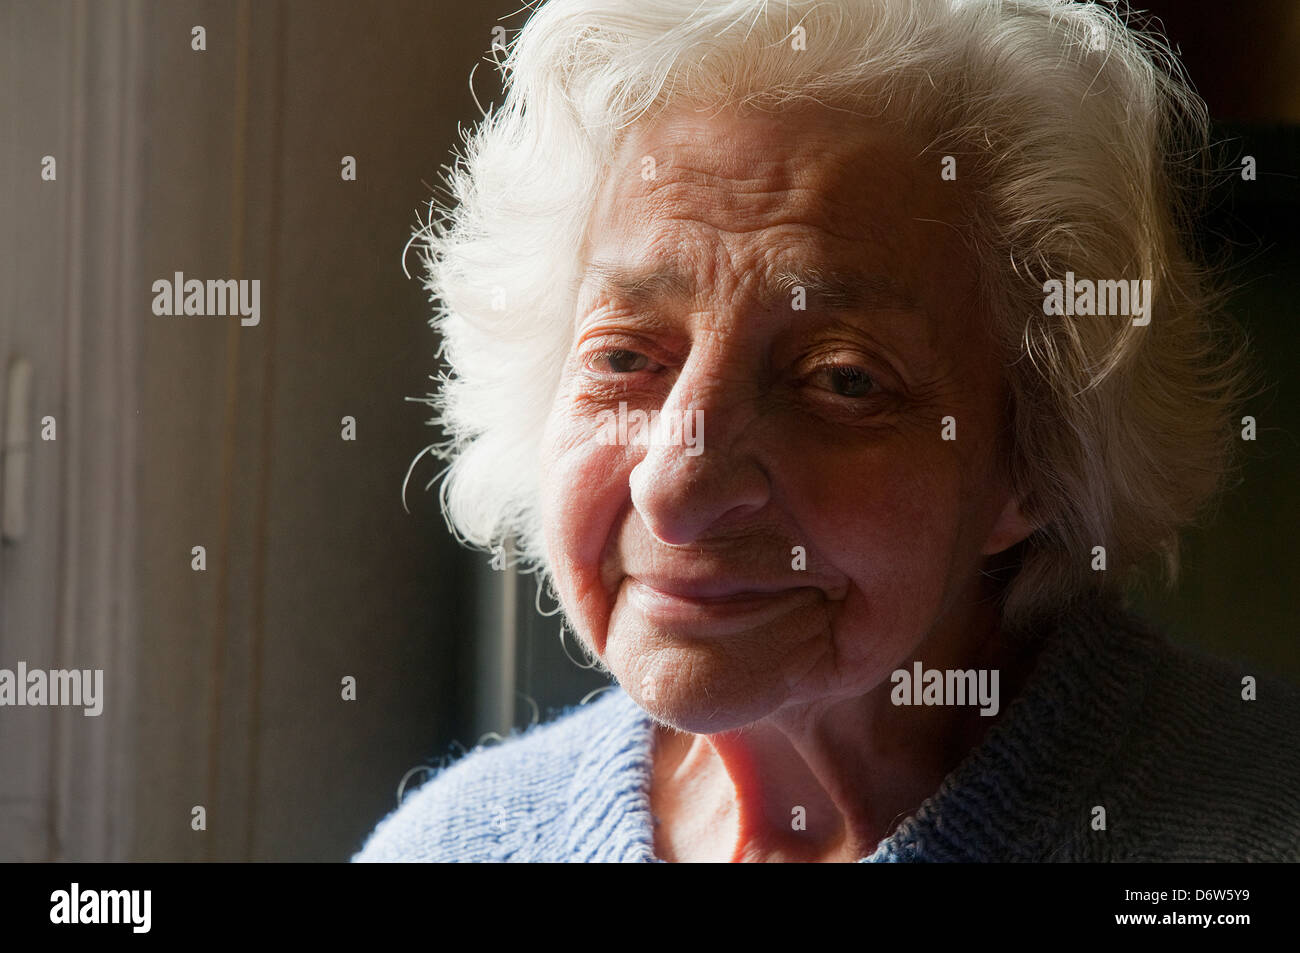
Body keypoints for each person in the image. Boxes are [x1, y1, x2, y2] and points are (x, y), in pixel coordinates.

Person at [353, 0, 1300, 862]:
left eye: (843, 379)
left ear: (1035, 453)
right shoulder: (451, 846)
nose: (675, 489)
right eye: (625, 355)